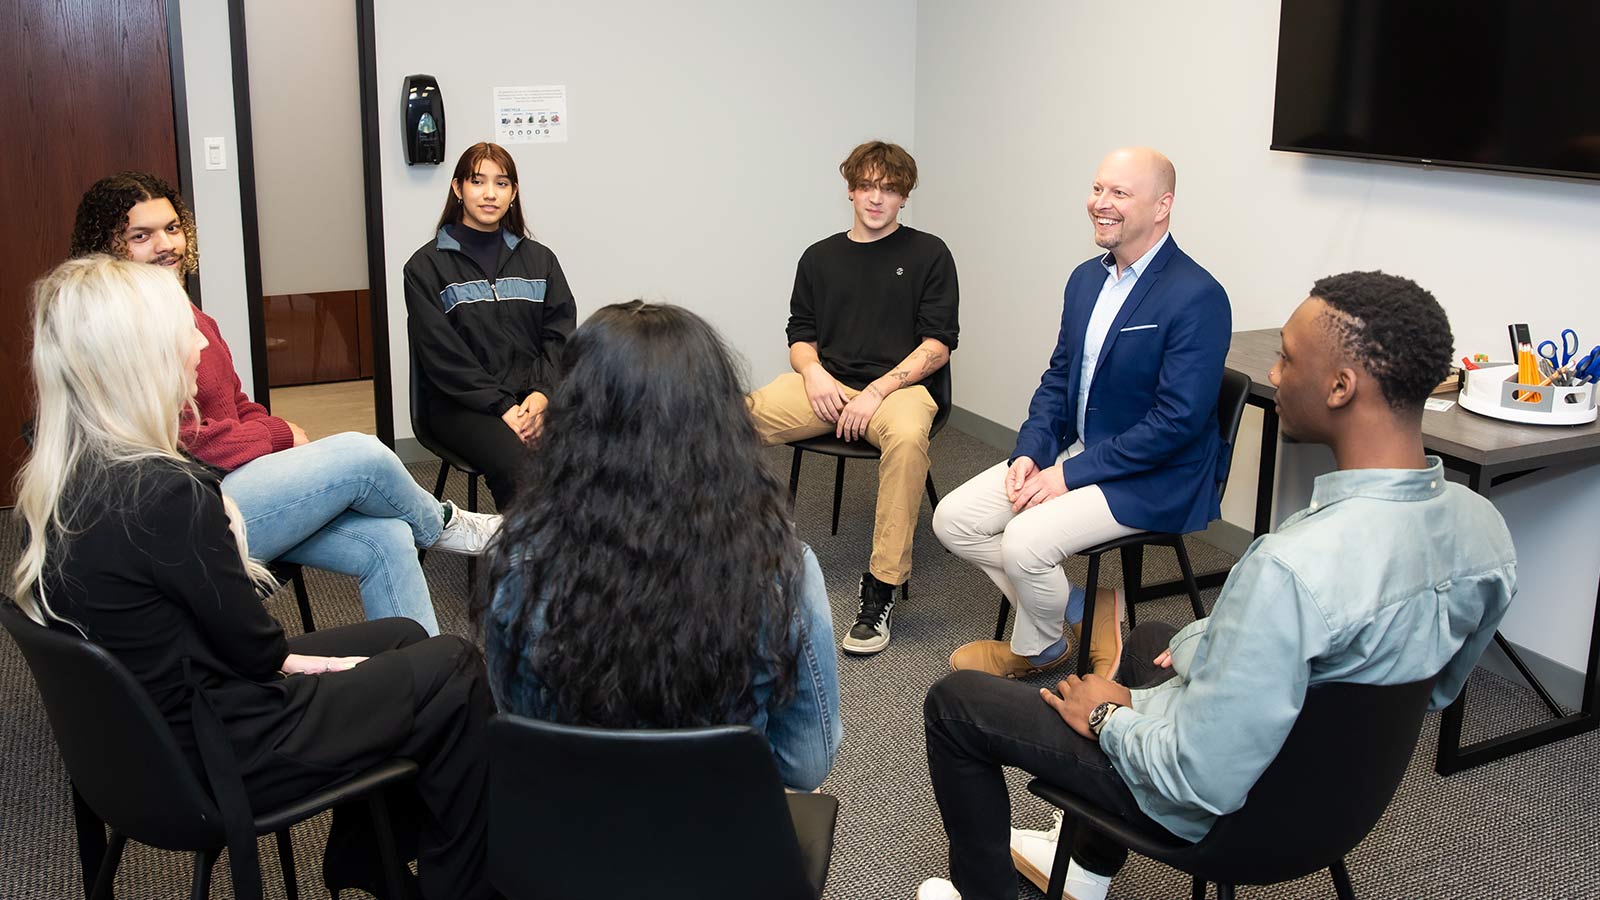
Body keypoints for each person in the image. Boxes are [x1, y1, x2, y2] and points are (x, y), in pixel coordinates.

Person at [916, 271, 1517, 900]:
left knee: (956, 704)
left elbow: (1198, 777)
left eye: (1287, 358)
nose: (1275, 376)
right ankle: (1087, 876)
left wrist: (1107, 715)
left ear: (1342, 387)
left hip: (1228, 810)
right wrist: (1214, 641)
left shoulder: (1291, 568)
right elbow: (1434, 689)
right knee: (1152, 637)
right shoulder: (1485, 533)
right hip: (1334, 802)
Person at [11, 255, 496, 900]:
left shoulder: (59, 482)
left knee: (404, 634)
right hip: (225, 748)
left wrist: (305, 661)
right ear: (139, 357)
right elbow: (256, 651)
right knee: (458, 669)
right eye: (178, 330)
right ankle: (457, 887)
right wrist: (296, 661)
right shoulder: (165, 496)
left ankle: (363, 855)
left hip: (146, 741)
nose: (195, 343)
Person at [70, 172, 499, 636]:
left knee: (390, 538)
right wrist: (278, 436)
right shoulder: (116, 331)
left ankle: (424, 676)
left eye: (172, 228)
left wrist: (278, 436)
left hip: (243, 490)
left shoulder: (191, 315)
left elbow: (234, 404)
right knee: (361, 454)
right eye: (142, 235)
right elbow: (191, 441)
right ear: (108, 245)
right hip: (190, 514)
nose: (166, 244)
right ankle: (442, 525)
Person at [478, 301, 842, 791]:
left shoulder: (520, 559)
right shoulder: (782, 567)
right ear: (718, 421)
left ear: (574, 418)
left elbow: (519, 721)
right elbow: (805, 762)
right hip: (722, 839)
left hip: (571, 833)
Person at [934, 147, 1230, 680]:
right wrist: (1030, 452)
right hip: (1083, 448)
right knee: (954, 521)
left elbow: (1177, 423)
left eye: (1120, 192)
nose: (1101, 203)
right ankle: (1084, 610)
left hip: (1156, 475)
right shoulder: (1085, 280)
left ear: (1162, 206)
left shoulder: (1198, 296)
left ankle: (1038, 648)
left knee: (1025, 544)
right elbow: (1059, 380)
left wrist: (1067, 475)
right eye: (1098, 189)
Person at [747, 140, 960, 656]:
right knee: (727, 418)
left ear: (903, 197)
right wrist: (814, 374)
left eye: (888, 189)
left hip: (899, 391)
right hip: (826, 384)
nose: (876, 198)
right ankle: (714, 551)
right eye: (867, 186)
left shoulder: (929, 252)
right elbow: (800, 332)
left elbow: (938, 345)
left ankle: (881, 590)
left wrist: (878, 390)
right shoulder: (819, 256)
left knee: (909, 440)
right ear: (850, 190)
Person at [403, 141, 577, 506]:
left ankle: (588, 557)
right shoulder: (425, 267)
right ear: (457, 189)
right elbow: (442, 356)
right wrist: (502, 407)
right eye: (477, 181)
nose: (489, 194)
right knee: (522, 465)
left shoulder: (540, 260)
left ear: (513, 193)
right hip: (460, 405)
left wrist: (542, 395)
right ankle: (526, 561)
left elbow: (559, 336)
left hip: (534, 398)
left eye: (501, 183)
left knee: (599, 451)